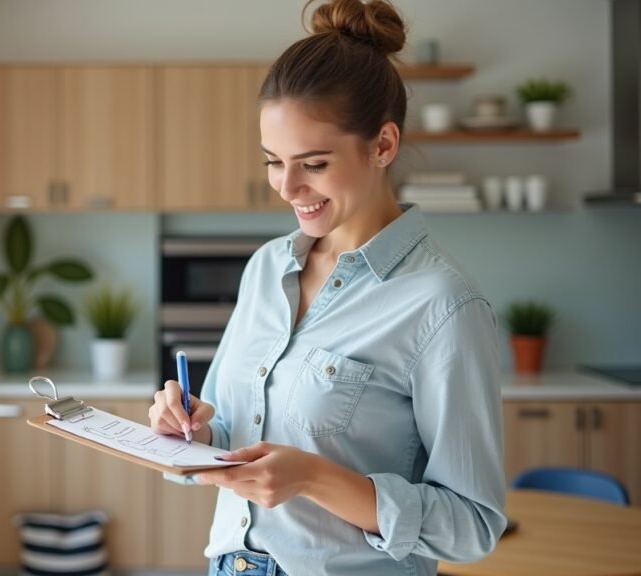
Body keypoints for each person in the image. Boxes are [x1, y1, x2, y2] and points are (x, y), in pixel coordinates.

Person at [147, 1, 507, 574]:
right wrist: (187, 426)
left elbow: (473, 526)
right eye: (273, 161)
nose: (288, 187)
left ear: (383, 146)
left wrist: (314, 477)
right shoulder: (266, 267)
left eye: (313, 163)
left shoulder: (442, 304)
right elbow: (228, 430)